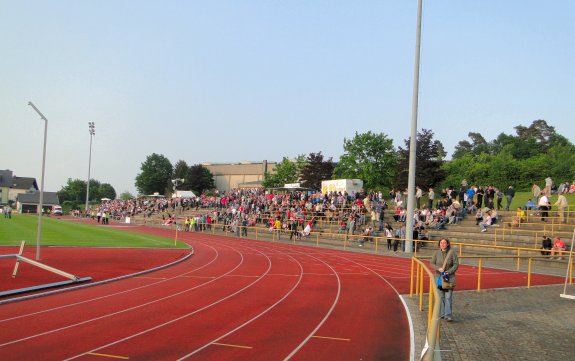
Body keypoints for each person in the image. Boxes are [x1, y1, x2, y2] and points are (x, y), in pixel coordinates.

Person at [431, 238, 459, 322]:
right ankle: (443, 313)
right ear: (439, 244)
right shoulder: (436, 253)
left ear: (447, 244)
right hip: (439, 278)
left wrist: (448, 272)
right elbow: (432, 263)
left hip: (448, 278)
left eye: (444, 243)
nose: (442, 244)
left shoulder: (452, 253)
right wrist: (438, 268)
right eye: (441, 243)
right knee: (441, 296)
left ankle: (448, 315)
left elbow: (456, 264)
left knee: (448, 297)